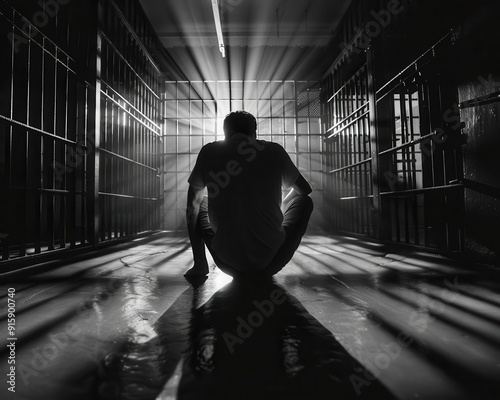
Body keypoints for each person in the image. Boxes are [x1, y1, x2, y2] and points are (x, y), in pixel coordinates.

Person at [184, 110, 313, 280]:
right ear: (254, 133)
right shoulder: (274, 151)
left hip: (226, 263)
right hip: (270, 262)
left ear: (225, 132)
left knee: (198, 201)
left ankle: (200, 264)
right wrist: (281, 207)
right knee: (305, 201)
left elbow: (191, 205)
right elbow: (305, 189)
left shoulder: (209, 151)